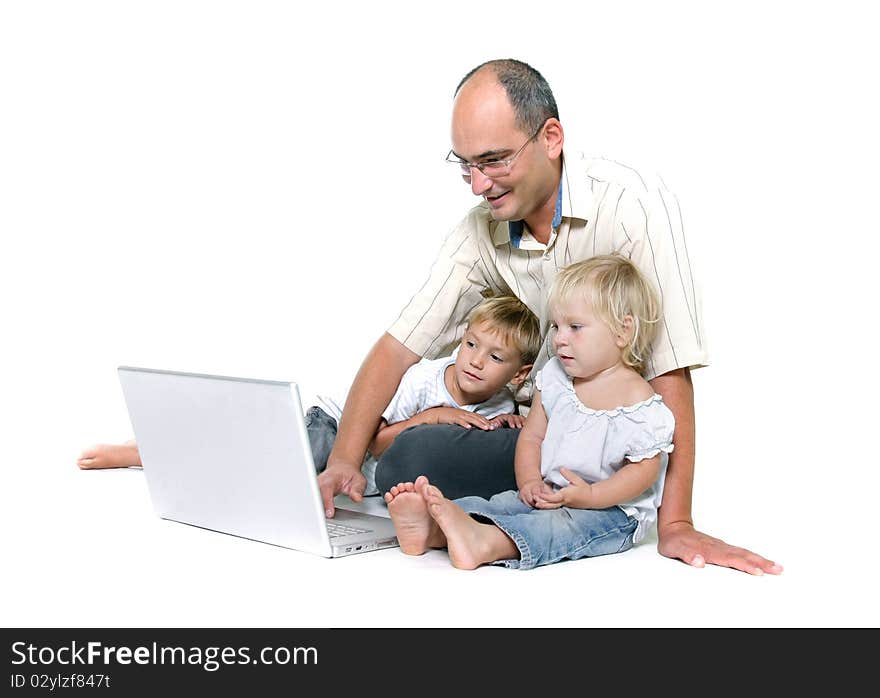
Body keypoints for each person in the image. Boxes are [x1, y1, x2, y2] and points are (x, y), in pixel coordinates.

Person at [319, 58, 782, 575]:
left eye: (493, 161)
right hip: (525, 431)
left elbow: (670, 365)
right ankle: (350, 466)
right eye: (466, 164)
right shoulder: (478, 231)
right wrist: (343, 458)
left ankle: (468, 519)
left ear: (551, 138)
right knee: (385, 446)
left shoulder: (632, 206)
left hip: (597, 446)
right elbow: (398, 346)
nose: (478, 184)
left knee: (411, 457)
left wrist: (676, 523)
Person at [78, 295, 541, 497]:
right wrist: (433, 416)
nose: (476, 361)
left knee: (270, 477)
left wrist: (514, 424)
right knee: (271, 457)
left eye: (495, 357)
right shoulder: (425, 379)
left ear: (519, 374)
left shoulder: (500, 404)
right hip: (338, 428)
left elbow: (487, 439)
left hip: (360, 470)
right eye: (472, 345)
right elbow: (375, 441)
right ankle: (148, 452)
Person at [385, 255, 673, 570]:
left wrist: (590, 496)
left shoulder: (639, 401)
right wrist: (529, 482)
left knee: (557, 529)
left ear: (622, 331)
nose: (560, 338)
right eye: (556, 326)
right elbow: (532, 438)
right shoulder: (555, 378)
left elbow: (642, 473)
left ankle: (486, 543)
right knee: (503, 503)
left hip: (611, 512)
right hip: (548, 492)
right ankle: (432, 529)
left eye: (575, 327)